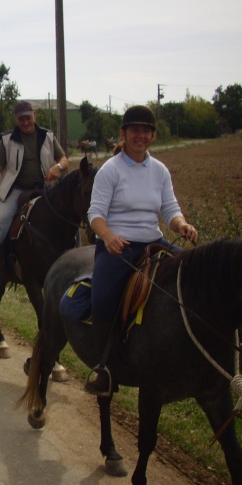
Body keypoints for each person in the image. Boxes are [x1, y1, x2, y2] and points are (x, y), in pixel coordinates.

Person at [85, 105, 198, 396]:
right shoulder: (111, 170)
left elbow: (170, 209)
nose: (141, 135)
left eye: (146, 131)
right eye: (135, 130)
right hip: (118, 247)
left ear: (153, 136)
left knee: (194, 275)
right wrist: (107, 236)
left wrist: (181, 224)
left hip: (153, 242)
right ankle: (105, 367)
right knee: (103, 299)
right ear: (123, 134)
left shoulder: (159, 170)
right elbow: (95, 213)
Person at [0, 100, 69, 284]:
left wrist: (58, 167)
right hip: (16, 190)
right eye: (21, 119)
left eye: (28, 118)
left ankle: (73, 259)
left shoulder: (47, 136)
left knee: (68, 216)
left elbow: (63, 159)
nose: (26, 122)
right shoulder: (7, 140)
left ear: (35, 114)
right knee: (0, 223)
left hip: (44, 189)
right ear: (16, 119)